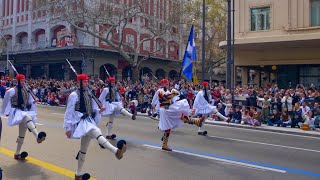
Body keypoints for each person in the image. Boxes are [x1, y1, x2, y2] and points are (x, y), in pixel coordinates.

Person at [64, 74, 127, 180]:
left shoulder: (89, 93)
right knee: (97, 132)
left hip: (89, 120)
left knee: (83, 150)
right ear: (79, 82)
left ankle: (78, 174)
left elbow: (92, 108)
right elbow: (68, 112)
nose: (87, 83)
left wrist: (99, 110)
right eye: (84, 82)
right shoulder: (74, 95)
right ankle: (116, 151)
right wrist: (67, 128)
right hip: (81, 122)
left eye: (87, 82)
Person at [1, 74, 46, 160]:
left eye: (23, 80)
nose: (23, 82)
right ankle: (38, 136)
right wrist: (5, 111)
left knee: (22, 135)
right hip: (16, 111)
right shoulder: (12, 91)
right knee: (27, 118)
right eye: (21, 80)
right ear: (17, 81)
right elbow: (5, 100)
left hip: (24, 110)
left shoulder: (26, 90)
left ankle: (17, 154)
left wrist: (34, 101)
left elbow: (29, 101)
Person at [156, 79, 204, 151]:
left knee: (179, 115)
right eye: (166, 84)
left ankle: (196, 121)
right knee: (170, 125)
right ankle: (195, 121)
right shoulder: (160, 91)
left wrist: (176, 94)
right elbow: (165, 97)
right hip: (165, 110)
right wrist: (173, 94)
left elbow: (173, 100)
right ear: (163, 84)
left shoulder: (168, 91)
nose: (168, 85)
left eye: (168, 84)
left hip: (169, 109)